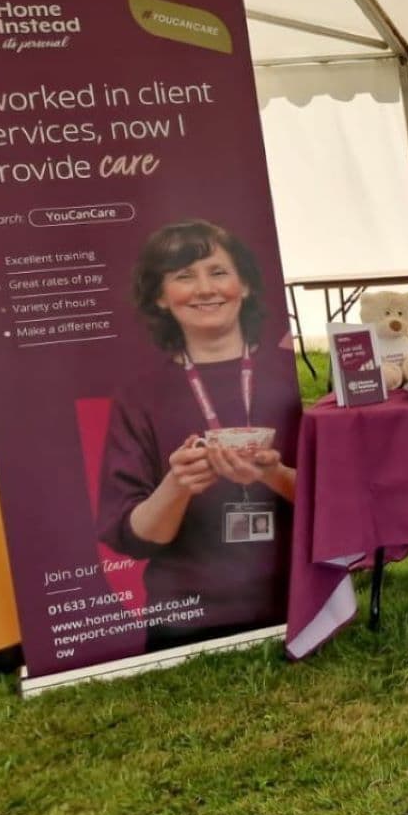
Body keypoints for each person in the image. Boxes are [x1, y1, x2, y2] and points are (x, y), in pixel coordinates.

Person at [97, 220, 298, 650]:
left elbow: (337, 502)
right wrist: (178, 485)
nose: (205, 289)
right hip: (186, 621)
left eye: (218, 272)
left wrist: (275, 475)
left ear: (245, 285)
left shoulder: (290, 375)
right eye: (184, 276)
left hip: (297, 604)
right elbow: (133, 539)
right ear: (160, 296)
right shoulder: (139, 396)